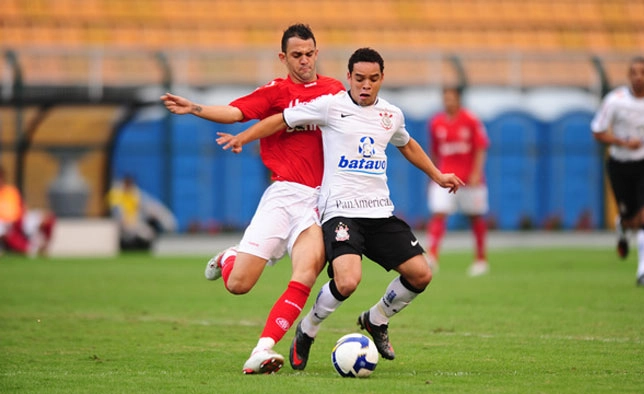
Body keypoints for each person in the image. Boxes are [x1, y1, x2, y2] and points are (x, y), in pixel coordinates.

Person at [216, 47, 464, 370]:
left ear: (381, 79)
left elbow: (408, 144)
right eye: (359, 78)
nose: (366, 85)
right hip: (340, 213)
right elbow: (281, 119)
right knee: (347, 281)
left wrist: (437, 174)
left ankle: (376, 319)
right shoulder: (330, 106)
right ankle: (308, 329)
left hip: (379, 213)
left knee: (421, 274)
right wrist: (244, 137)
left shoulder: (391, 114)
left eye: (373, 79)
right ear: (348, 78)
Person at [160, 24, 345, 374]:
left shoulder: (335, 91)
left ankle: (263, 349)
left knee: (306, 273)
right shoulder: (275, 92)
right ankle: (230, 257)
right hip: (284, 195)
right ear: (283, 58)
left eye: (309, 53)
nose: (304, 61)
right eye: (296, 55)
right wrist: (194, 108)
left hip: (320, 202)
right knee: (238, 285)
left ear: (317, 53)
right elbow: (235, 113)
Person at [591, 56, 644, 287]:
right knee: (631, 219)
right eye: (634, 72)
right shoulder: (615, 101)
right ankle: (623, 226)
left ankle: (643, 271)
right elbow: (597, 132)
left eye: (643, 72)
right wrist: (623, 142)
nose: (639, 76)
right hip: (621, 164)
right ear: (628, 76)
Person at [425, 86, 490, 276]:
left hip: (469, 179)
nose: (449, 102)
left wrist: (477, 172)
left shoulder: (470, 119)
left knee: (475, 216)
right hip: (445, 177)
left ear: (459, 100)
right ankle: (433, 257)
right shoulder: (436, 123)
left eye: (452, 98)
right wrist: (434, 173)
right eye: (446, 98)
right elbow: (435, 151)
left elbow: (481, 146)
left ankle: (480, 259)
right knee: (439, 213)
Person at [106, 174, 177, 250]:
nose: (129, 186)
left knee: (147, 232)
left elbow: (149, 205)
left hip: (134, 222)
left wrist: (166, 219)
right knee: (143, 233)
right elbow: (116, 211)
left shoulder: (135, 193)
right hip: (121, 223)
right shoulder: (116, 194)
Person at [0, 165, 55, 257]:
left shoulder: (11, 191)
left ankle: (42, 247)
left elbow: (22, 207)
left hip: (18, 220)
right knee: (5, 231)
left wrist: (22, 219)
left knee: (48, 218)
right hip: (3, 223)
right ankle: (28, 249)